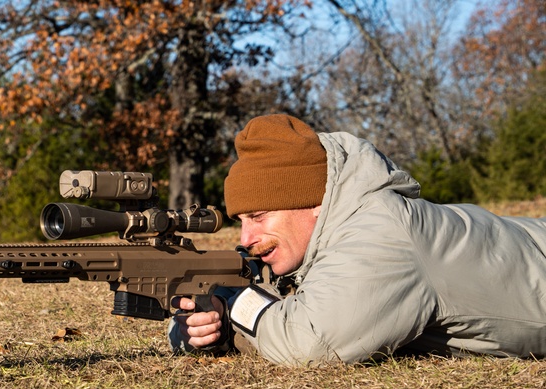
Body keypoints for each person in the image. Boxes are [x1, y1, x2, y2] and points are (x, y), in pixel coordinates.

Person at [170, 114, 546, 364]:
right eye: (241, 220)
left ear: (312, 203)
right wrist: (211, 324)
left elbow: (313, 342)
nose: (247, 237)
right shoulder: (335, 232)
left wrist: (236, 302)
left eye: (258, 216)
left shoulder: (381, 234)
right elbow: (286, 309)